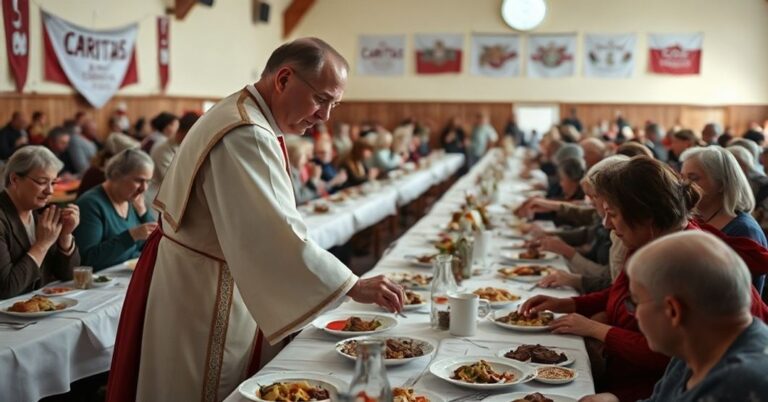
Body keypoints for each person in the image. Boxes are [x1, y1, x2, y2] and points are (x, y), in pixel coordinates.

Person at [107, 38, 405, 402]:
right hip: (203, 290)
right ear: (283, 80)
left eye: (334, 105)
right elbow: (275, 236)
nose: (324, 116)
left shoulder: (245, 113)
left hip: (198, 274)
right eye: (321, 99)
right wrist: (351, 285)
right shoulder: (246, 132)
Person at [521, 156, 768, 401]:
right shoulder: (650, 243)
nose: (607, 224)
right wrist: (569, 304)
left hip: (635, 381)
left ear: (645, 216)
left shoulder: (685, 260)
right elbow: (619, 295)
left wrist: (599, 331)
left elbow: (661, 358)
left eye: (613, 214)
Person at [580, 232, 768, 402]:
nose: (634, 315)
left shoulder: (741, 383)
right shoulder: (695, 346)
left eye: (635, 303)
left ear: (673, 311)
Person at [680, 146, 767, 292]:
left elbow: (740, 291)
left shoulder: (743, 229)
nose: (683, 185)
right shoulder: (692, 217)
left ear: (721, 184)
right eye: (682, 177)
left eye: (693, 178)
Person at [0, 146, 80, 299]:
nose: (50, 191)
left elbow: (69, 275)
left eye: (54, 183)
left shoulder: (40, 212)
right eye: (42, 182)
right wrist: (42, 245)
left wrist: (65, 236)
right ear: (15, 179)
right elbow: (5, 288)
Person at [74, 149, 156, 271]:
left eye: (148, 181)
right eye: (139, 180)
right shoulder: (90, 204)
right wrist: (131, 236)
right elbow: (87, 260)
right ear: (117, 175)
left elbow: (155, 244)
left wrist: (144, 213)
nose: (144, 188)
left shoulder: (133, 200)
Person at [146, 112, 200, 205]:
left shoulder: (185, 146)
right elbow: (172, 181)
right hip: (157, 197)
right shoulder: (162, 149)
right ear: (183, 132)